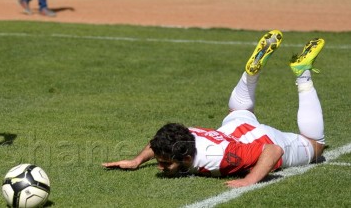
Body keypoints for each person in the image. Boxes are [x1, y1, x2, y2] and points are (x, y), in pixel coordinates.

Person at [103, 30, 327, 188]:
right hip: (232, 130)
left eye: (166, 163)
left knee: (316, 145)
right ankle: (251, 73)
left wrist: (249, 181)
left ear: (188, 158)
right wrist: (136, 160)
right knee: (234, 110)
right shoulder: (180, 138)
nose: (160, 167)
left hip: (259, 140)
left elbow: (273, 150)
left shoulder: (219, 158)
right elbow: (159, 143)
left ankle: (302, 72)